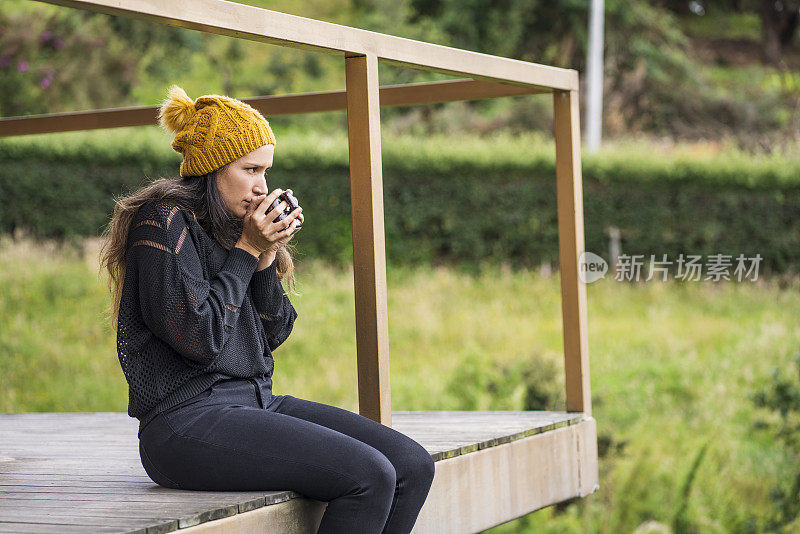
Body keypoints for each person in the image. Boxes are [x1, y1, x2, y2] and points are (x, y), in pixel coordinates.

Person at [99, 85, 435, 533]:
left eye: (266, 171)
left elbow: (274, 332)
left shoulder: (235, 229)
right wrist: (246, 250)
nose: (261, 186)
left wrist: (265, 258)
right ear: (213, 168)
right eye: (250, 169)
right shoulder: (163, 223)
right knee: (368, 476)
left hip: (255, 403)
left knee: (412, 465)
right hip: (183, 424)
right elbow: (200, 337)